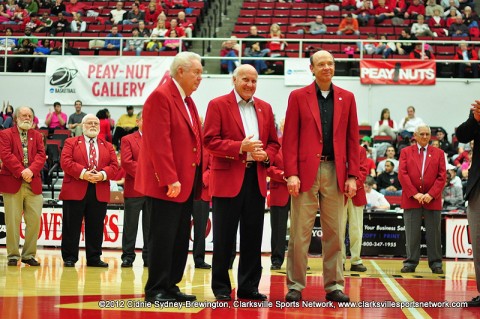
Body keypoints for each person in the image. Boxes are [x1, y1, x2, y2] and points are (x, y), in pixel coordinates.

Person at [282, 50, 360, 303]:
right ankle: (295, 285)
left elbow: (352, 140)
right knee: (299, 233)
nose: (327, 67)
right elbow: (290, 138)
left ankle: (334, 286)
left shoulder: (347, 98)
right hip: (305, 173)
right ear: (312, 68)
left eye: (331, 63)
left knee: (336, 232)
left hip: (335, 170)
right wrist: (291, 173)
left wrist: (352, 176)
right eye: (321, 64)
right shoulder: (297, 96)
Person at [203, 64, 280, 301]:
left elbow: (274, 144)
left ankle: (248, 287)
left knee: (252, 236)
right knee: (224, 238)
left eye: (254, 81)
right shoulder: (217, 104)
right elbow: (209, 141)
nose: (250, 84)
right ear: (234, 80)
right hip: (227, 178)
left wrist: (265, 155)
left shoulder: (265, 108)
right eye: (245, 79)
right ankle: (221, 288)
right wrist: (240, 148)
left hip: (255, 178)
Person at [135, 52, 203, 303]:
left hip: (185, 184)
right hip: (167, 185)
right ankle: (155, 289)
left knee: (178, 238)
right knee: (162, 237)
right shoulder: (160, 97)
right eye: (196, 72)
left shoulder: (188, 101)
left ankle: (171, 284)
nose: (200, 78)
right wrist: (169, 178)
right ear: (181, 71)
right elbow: (157, 143)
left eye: (201, 73)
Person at [59, 114, 118, 268]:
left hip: (99, 189)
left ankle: (94, 258)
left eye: (95, 123)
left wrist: (102, 174)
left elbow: (114, 166)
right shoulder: (70, 142)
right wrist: (84, 173)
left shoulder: (108, 145)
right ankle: (70, 257)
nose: (93, 125)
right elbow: (65, 162)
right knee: (71, 226)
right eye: (89, 123)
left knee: (96, 226)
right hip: (75, 189)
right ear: (82, 125)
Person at [0, 106, 46, 267]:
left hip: (33, 183)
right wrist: (22, 172)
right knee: (12, 221)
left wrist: (31, 171)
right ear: (16, 118)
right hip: (12, 182)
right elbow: (5, 155)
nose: (27, 118)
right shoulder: (5, 134)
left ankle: (28, 255)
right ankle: (13, 255)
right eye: (23, 115)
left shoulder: (38, 136)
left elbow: (41, 155)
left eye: (29, 115)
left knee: (34, 221)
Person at [398, 124, 446, 274]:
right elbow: (402, 174)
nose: (425, 137)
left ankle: (436, 263)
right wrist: (415, 193)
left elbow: (442, 176)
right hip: (412, 199)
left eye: (427, 134)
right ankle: (410, 262)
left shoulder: (439, 153)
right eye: (422, 134)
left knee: (434, 233)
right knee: (412, 233)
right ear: (415, 135)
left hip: (433, 199)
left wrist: (431, 194)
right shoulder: (405, 152)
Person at [456, 100, 480, 306]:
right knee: (479, 241)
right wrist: (476, 120)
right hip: (478, 186)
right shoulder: (477, 109)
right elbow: (462, 135)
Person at [120, 111, 150, 268]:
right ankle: (128, 256)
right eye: (146, 119)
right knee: (130, 225)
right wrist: (148, 171)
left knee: (150, 226)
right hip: (134, 188)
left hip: (153, 190)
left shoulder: (158, 139)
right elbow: (126, 162)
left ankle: (148, 257)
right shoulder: (128, 139)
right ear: (138, 121)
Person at [267, 121, 289, 270]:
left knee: (300, 230)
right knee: (278, 229)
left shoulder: (301, 145)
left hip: (299, 192)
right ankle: (276, 260)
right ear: (281, 128)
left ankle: (298, 261)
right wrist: (283, 175)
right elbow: (267, 168)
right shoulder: (275, 145)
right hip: (279, 190)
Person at [342, 145, 368, 273]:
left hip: (356, 193)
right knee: (338, 230)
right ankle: (339, 261)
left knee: (356, 228)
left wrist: (353, 186)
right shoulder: (335, 148)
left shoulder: (360, 150)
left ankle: (356, 260)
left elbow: (363, 171)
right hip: (338, 194)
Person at [192, 151, 212, 269]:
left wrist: (201, 180)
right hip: (182, 189)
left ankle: (199, 259)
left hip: (202, 190)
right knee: (180, 228)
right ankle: (176, 259)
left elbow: (212, 166)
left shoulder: (208, 147)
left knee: (200, 228)